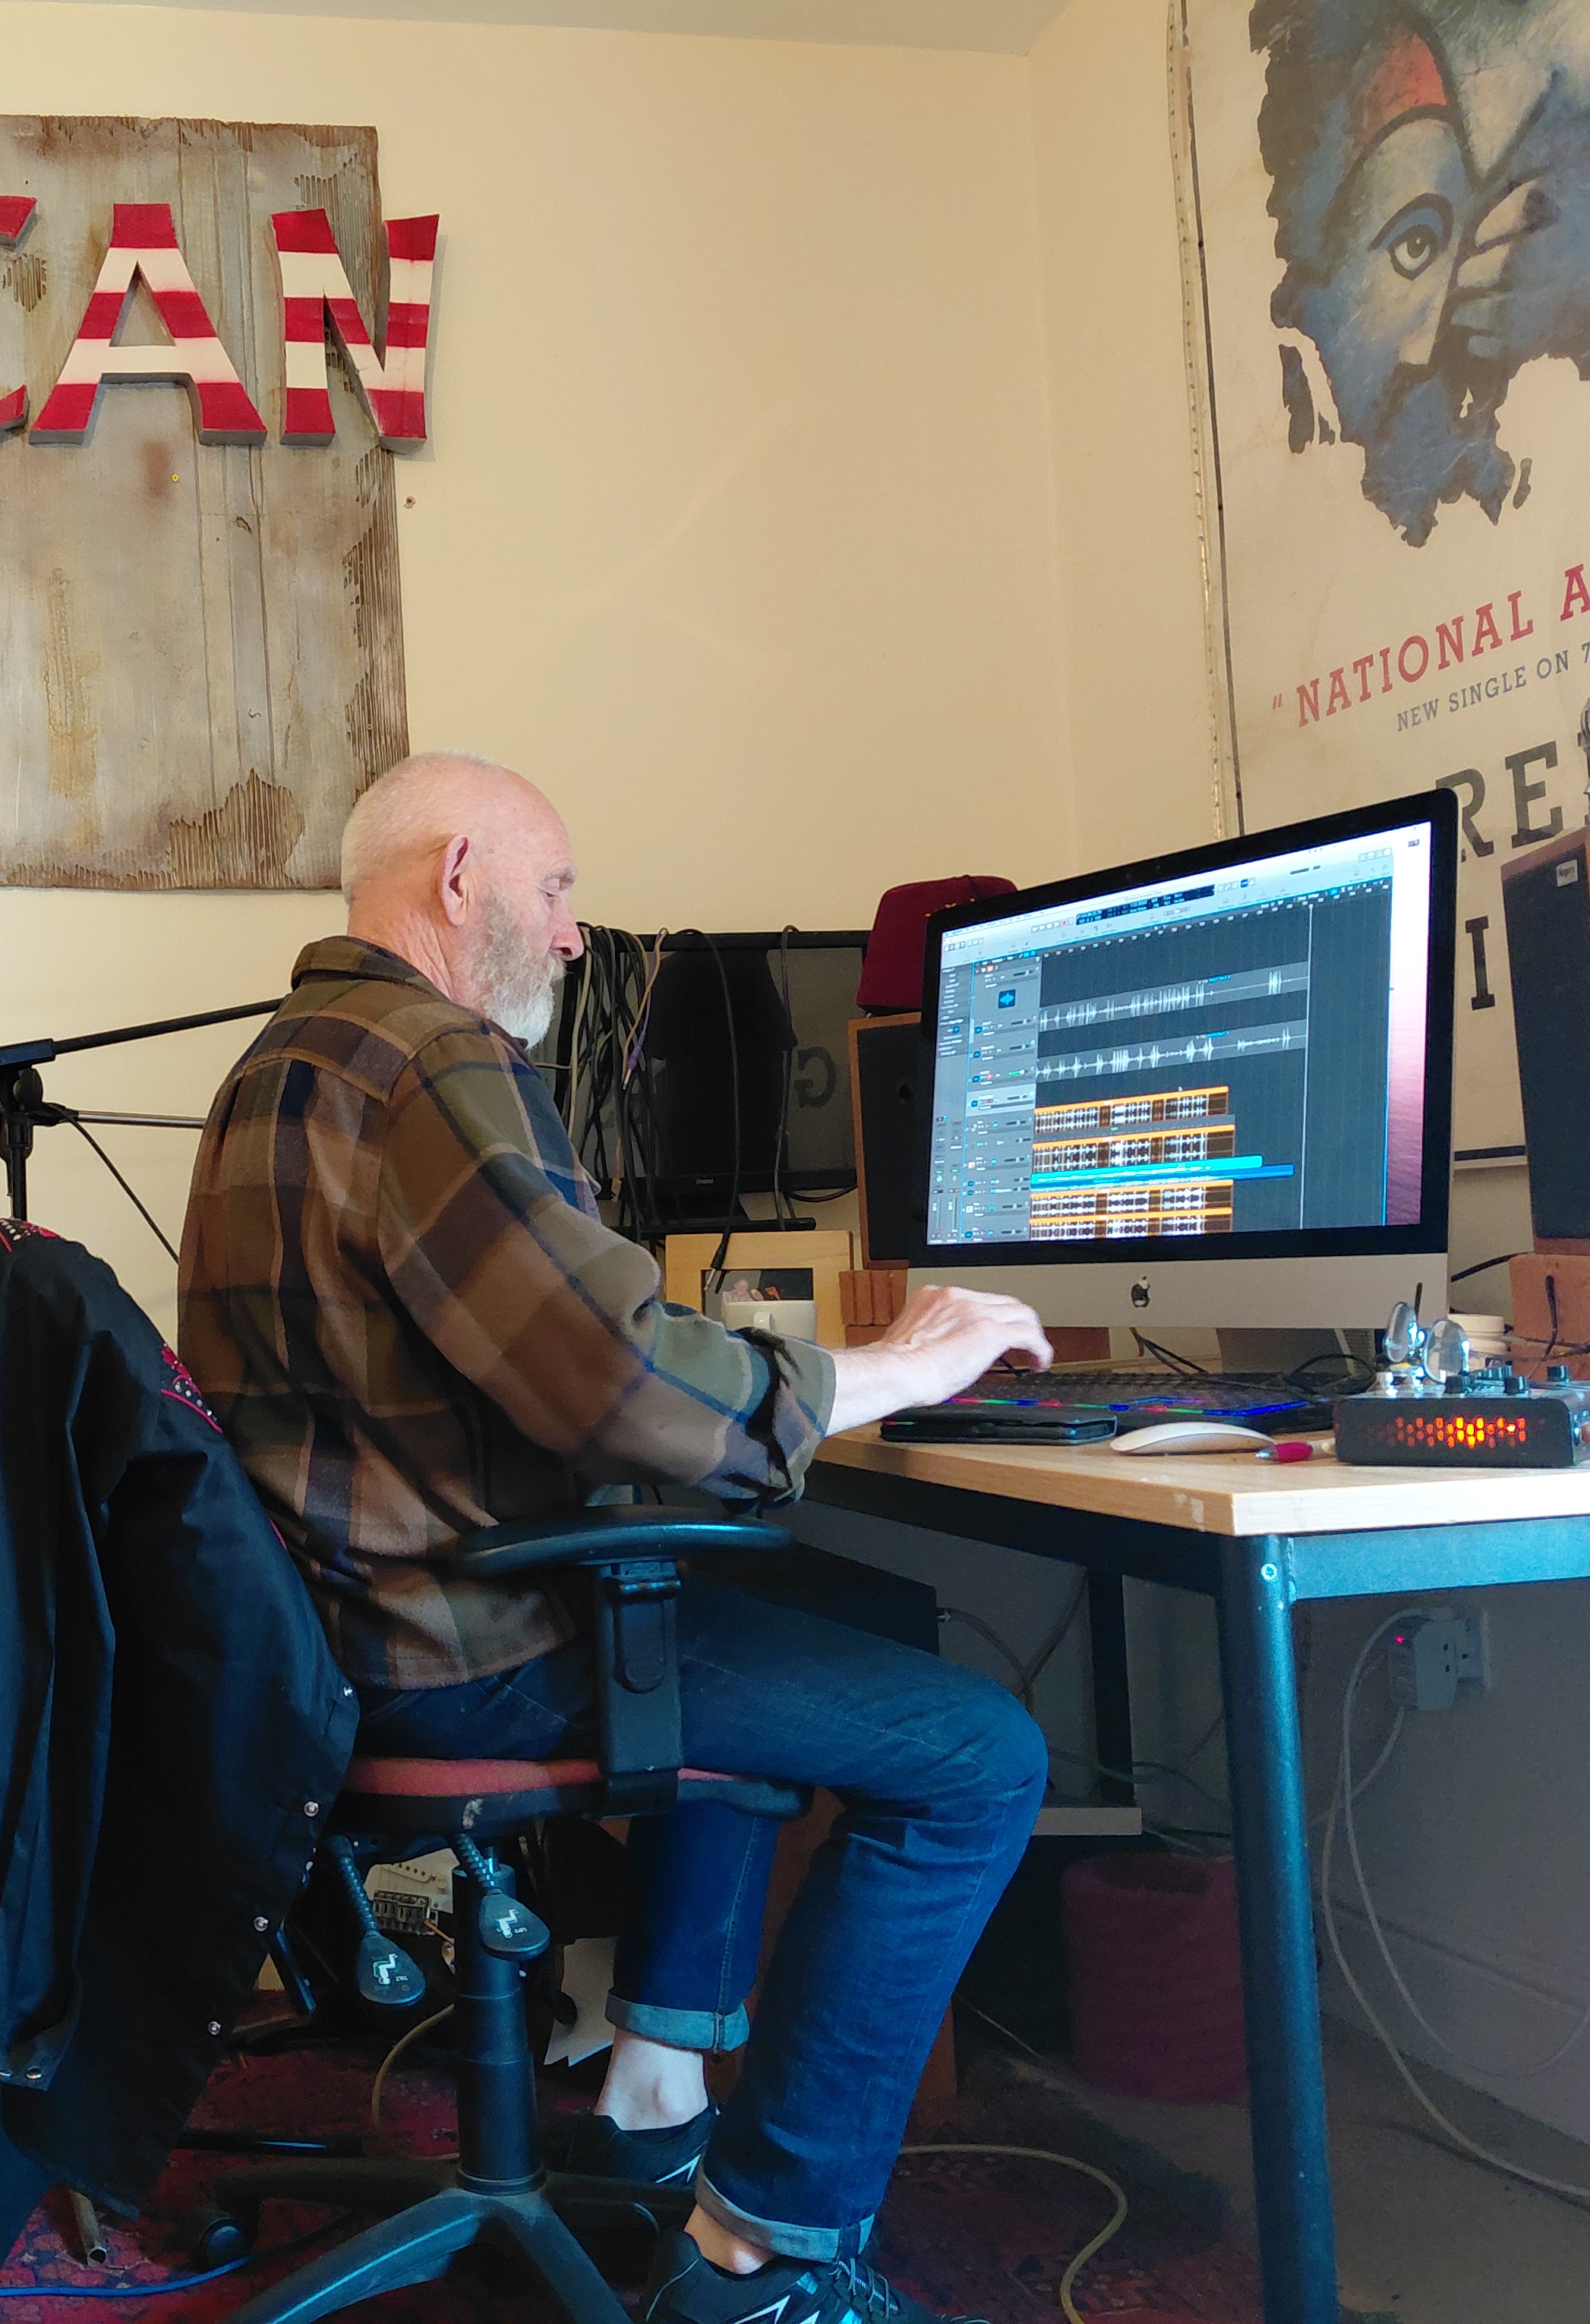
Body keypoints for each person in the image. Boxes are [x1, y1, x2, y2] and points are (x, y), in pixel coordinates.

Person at [178, 750, 1052, 2324]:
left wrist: (772, 1380)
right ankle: (761, 2257)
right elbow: (623, 1383)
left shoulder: (282, 1064)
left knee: (759, 1620)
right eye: (557, 888)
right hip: (455, 1654)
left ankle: (655, 2102)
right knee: (978, 1754)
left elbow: (535, 1358)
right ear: (460, 878)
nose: (577, 933)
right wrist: (897, 1370)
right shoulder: (430, 1059)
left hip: (342, 1641)